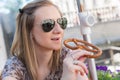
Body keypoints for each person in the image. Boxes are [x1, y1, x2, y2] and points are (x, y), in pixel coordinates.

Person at [1, 0, 90, 80]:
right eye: (48, 25)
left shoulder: (67, 58)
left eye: (61, 22)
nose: (59, 30)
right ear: (29, 32)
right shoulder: (15, 66)